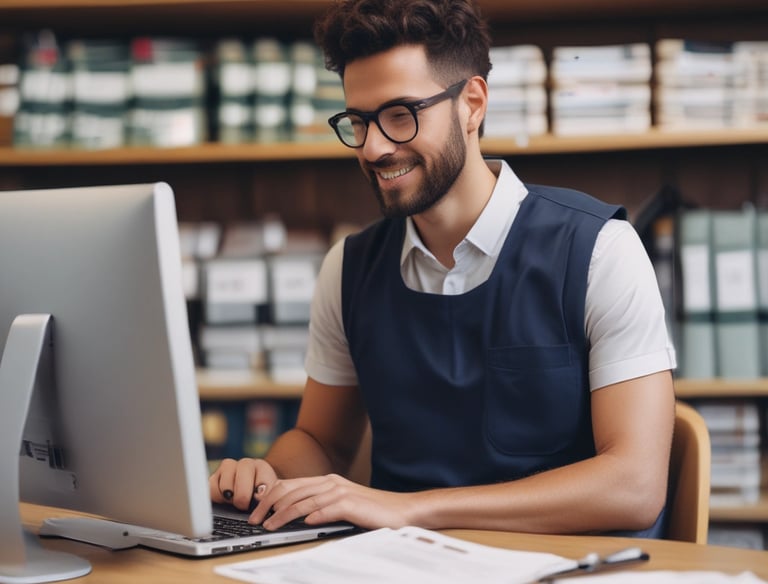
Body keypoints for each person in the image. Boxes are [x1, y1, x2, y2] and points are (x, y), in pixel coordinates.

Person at [209, 0, 677, 537]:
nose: (374, 147)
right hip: (395, 567)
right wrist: (267, 476)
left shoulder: (600, 251)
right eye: (357, 122)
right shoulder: (348, 267)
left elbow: (635, 488)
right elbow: (321, 442)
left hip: (565, 567)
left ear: (472, 104)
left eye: (401, 116)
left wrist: (411, 509)